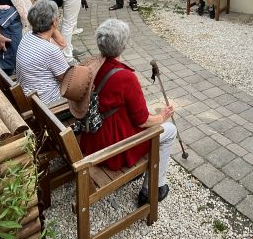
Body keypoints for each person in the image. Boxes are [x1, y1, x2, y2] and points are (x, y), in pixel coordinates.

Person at [63, 19, 176, 206]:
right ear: (123, 46)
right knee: (170, 130)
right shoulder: (126, 77)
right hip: (113, 147)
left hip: (94, 136)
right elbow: (143, 121)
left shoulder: (93, 66)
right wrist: (163, 115)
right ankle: (152, 189)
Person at [16, 0, 70, 105]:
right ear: (54, 21)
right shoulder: (51, 51)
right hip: (47, 104)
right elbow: (67, 80)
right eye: (58, 17)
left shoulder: (28, 36)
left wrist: (49, 25)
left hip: (29, 95)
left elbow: (62, 44)